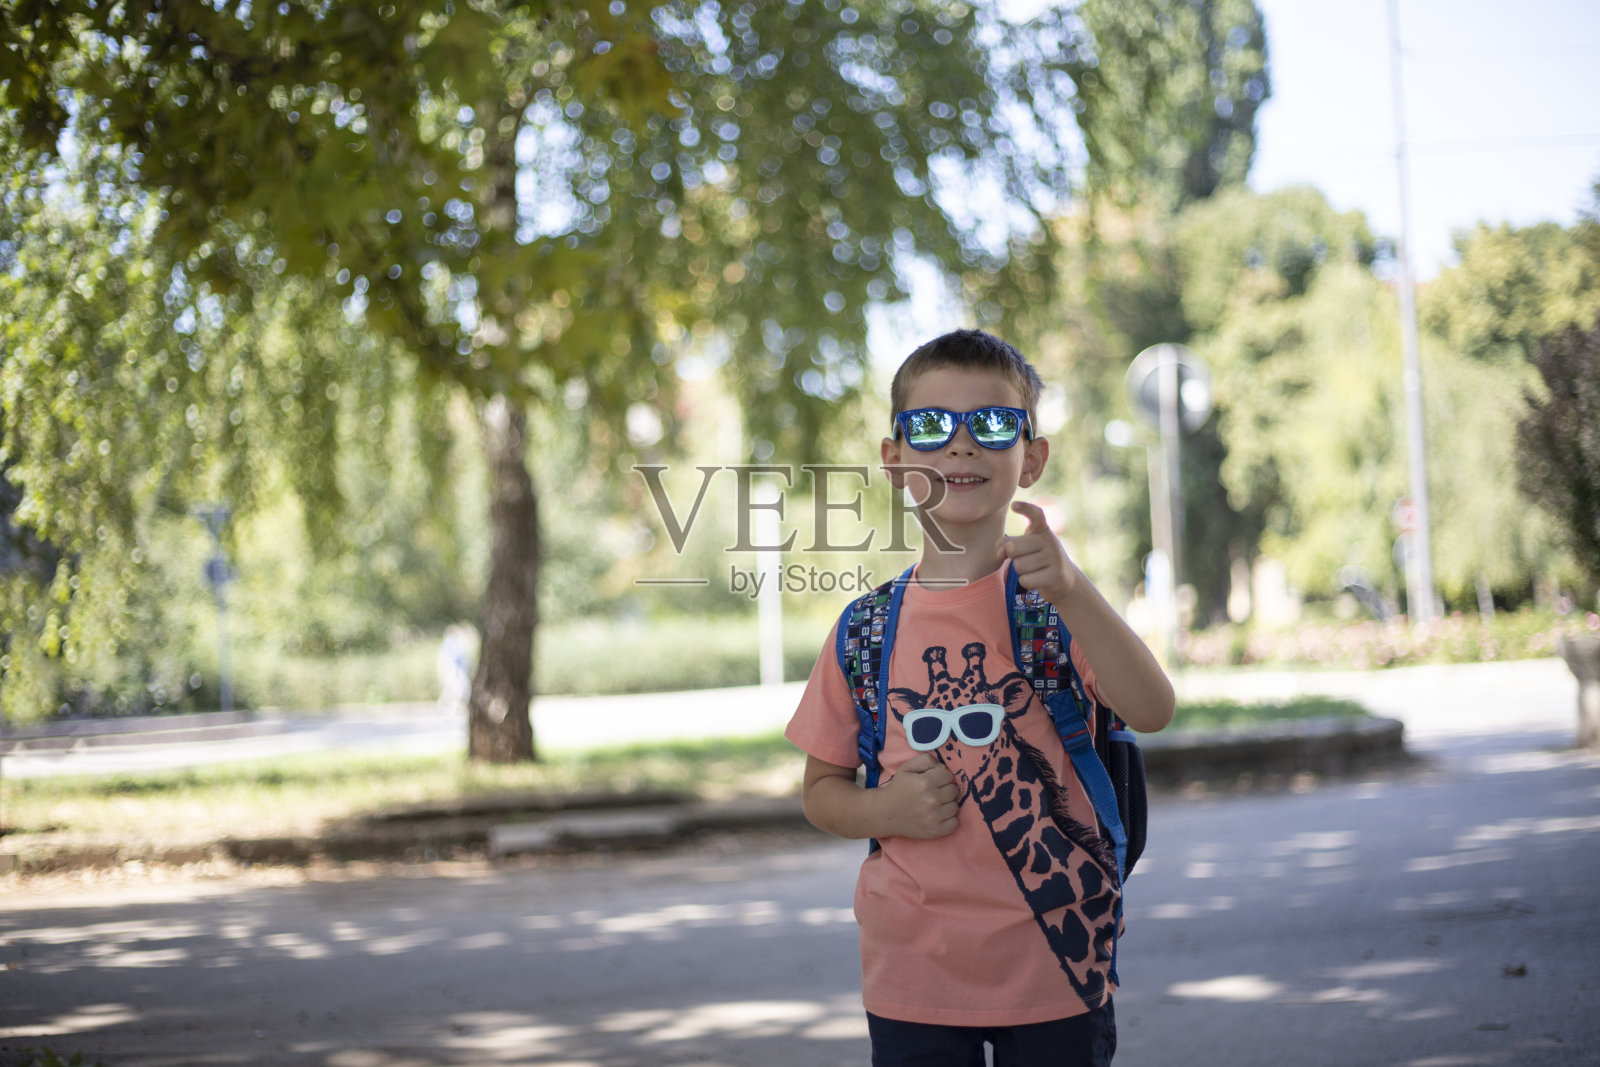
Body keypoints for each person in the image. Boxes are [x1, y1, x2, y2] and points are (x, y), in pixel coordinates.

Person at [785, 329, 1175, 1066]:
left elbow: (1153, 708)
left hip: (1059, 959)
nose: (960, 446)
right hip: (912, 970)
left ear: (1031, 457)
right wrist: (884, 809)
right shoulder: (864, 627)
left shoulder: (1059, 603)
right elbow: (820, 790)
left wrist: (1073, 590)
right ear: (895, 460)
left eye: (992, 423)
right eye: (930, 425)